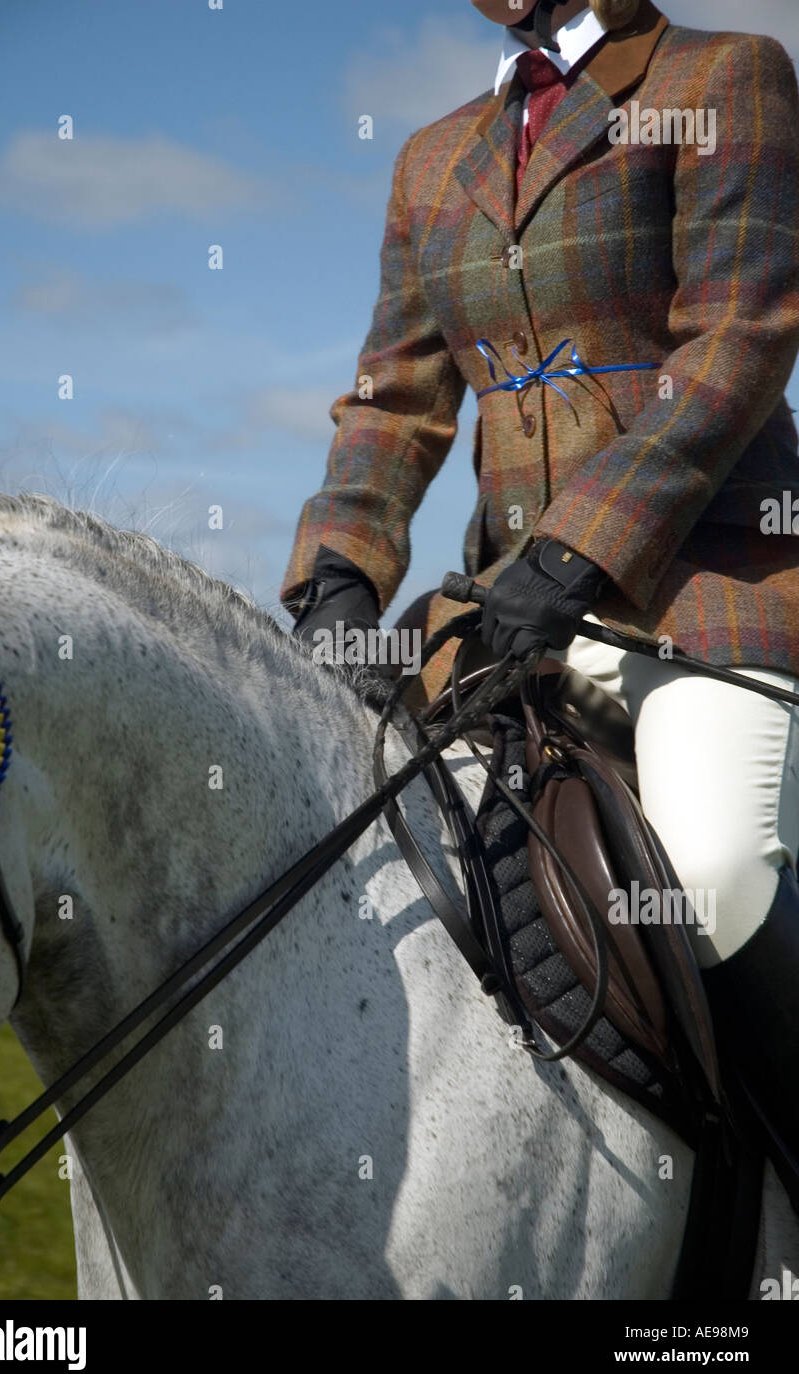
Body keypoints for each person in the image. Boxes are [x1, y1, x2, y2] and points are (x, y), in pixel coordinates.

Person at [280, 0, 799, 1189]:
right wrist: (341, 579)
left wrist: (573, 554)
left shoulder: (728, 76)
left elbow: (734, 342)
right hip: (505, 619)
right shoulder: (434, 159)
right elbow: (394, 397)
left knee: (712, 875)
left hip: (707, 594)